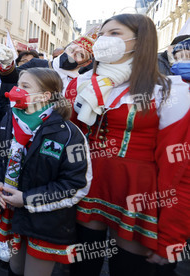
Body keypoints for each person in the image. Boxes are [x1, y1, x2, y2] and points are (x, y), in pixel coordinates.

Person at [65, 14, 190, 276]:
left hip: (139, 193)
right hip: (88, 184)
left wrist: (171, 235)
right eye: (102, 34)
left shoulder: (169, 91)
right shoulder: (85, 83)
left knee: (128, 269)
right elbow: (69, 135)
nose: (103, 40)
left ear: (140, 41)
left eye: (115, 33)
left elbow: (179, 169)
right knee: (82, 266)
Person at [0, 68, 92, 276]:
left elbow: (75, 185)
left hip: (46, 223)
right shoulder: (10, 118)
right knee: (15, 267)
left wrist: (27, 199)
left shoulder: (70, 134)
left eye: (25, 87)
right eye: (18, 85)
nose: (17, 90)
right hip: (12, 214)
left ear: (45, 96)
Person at [52, 27, 98, 93]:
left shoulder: (82, 86)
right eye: (70, 50)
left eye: (80, 55)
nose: (71, 56)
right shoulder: (39, 66)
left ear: (87, 63)